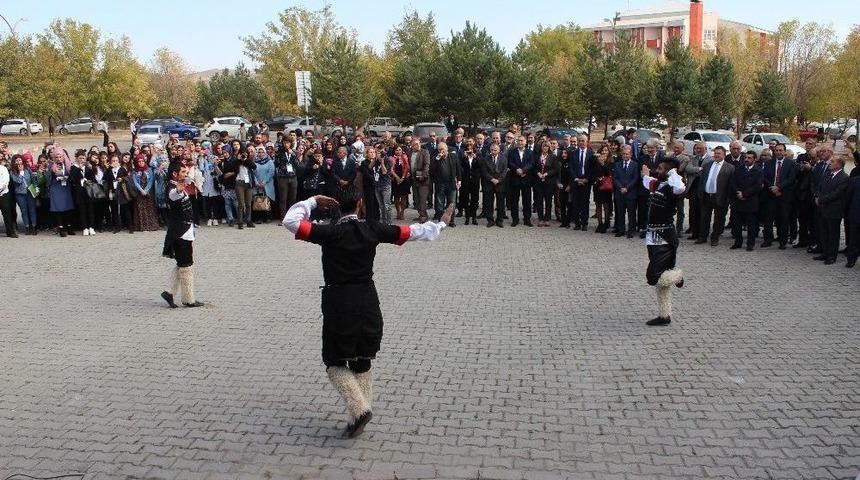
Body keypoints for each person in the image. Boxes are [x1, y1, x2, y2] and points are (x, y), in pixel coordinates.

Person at [282, 185, 454, 438]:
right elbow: (411, 232)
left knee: (334, 361)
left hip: (339, 302)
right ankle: (357, 416)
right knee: (363, 359)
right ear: (360, 204)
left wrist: (313, 201)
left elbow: (291, 221)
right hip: (368, 301)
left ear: (335, 207)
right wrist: (440, 224)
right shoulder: (372, 229)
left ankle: (360, 410)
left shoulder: (329, 232)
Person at [640, 158, 686, 326]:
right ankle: (664, 315)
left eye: (660, 169)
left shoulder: (673, 187)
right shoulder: (659, 185)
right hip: (653, 236)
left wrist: (673, 171)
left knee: (653, 277)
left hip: (664, 237)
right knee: (661, 284)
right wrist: (645, 174)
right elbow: (648, 181)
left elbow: (680, 187)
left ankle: (678, 276)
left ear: (668, 171)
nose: (657, 171)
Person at [161, 162, 204, 309]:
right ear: (175, 174)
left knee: (182, 263)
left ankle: (169, 292)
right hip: (180, 232)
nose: (186, 174)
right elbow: (173, 195)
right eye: (183, 172)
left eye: (186, 172)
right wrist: (179, 190)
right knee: (186, 265)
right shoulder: (172, 188)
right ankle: (188, 299)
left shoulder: (179, 185)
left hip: (185, 229)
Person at [760, 143, 797, 249]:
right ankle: (768, 239)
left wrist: (779, 188)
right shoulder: (768, 163)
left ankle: (782, 241)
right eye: (776, 150)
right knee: (768, 219)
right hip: (770, 194)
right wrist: (772, 187)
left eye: (780, 150)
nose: (778, 152)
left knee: (783, 219)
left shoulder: (791, 163)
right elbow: (764, 177)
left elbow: (791, 179)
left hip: (784, 195)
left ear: (784, 152)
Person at [813, 156, 848, 265]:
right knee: (823, 232)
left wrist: (821, 200)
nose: (830, 163)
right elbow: (819, 187)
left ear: (839, 164)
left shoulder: (844, 177)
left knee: (833, 234)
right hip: (822, 208)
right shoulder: (827, 174)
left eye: (832, 162)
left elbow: (837, 193)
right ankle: (825, 252)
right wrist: (817, 196)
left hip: (834, 210)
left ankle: (832, 256)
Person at [697, 146, 734, 247]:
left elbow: (730, 185)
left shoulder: (730, 168)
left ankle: (715, 237)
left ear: (724, 155)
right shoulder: (708, 165)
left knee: (719, 219)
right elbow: (702, 180)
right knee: (704, 217)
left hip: (720, 197)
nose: (716, 155)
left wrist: (728, 198)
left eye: (719, 153)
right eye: (715, 153)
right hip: (707, 196)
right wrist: (700, 192)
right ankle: (703, 236)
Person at [729, 151, 763, 251]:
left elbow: (757, 186)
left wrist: (744, 194)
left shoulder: (758, 171)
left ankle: (750, 244)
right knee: (737, 223)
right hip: (738, 200)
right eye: (746, 158)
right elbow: (733, 182)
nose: (747, 160)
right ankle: (738, 242)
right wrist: (737, 192)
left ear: (755, 159)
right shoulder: (739, 169)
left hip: (750, 201)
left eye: (749, 158)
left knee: (751, 224)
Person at [430, 142, 461, 227]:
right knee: (440, 203)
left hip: (451, 183)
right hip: (440, 184)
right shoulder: (436, 158)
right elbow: (431, 169)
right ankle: (441, 221)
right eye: (439, 149)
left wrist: (459, 180)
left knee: (451, 203)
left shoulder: (453, 156)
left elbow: (458, 169)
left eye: (442, 149)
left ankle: (451, 221)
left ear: (446, 149)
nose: (441, 151)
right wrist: (437, 158)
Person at [507, 135, 534, 227]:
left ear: (525, 142)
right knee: (514, 201)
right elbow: (510, 162)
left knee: (527, 201)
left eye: (522, 141)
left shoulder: (530, 152)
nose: (520, 142)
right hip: (515, 179)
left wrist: (523, 170)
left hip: (526, 179)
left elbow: (531, 163)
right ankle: (515, 219)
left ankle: (527, 219)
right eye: (518, 141)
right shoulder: (512, 152)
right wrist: (517, 169)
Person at [613, 145, 639, 238]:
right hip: (619, 192)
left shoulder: (635, 165)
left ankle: (631, 230)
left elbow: (635, 178)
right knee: (620, 212)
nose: (625, 155)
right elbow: (615, 178)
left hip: (631, 192)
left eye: (627, 154)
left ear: (631, 154)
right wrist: (621, 187)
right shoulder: (617, 164)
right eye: (624, 154)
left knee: (631, 213)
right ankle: (621, 230)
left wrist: (627, 188)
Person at [570, 135, 595, 231]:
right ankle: (577, 223)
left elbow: (592, 169)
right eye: (580, 140)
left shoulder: (591, 154)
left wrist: (586, 179)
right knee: (575, 203)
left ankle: (584, 223)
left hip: (586, 182)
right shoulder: (573, 153)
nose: (581, 142)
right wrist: (576, 179)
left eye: (583, 141)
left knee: (585, 203)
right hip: (576, 182)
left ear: (587, 142)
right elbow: (571, 168)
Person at [49, 148, 75, 237]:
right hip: (56, 188)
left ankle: (69, 225)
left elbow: (72, 175)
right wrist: (53, 173)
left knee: (68, 207)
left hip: (66, 188)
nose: (59, 159)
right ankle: (61, 227)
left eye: (60, 157)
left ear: (63, 157)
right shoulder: (51, 166)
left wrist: (68, 177)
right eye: (56, 157)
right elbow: (48, 178)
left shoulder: (67, 165)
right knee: (57, 208)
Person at [481, 143, 508, 228]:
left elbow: (504, 171)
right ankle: (490, 220)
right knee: (489, 203)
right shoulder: (485, 159)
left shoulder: (503, 159)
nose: (493, 152)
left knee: (500, 203)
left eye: (495, 150)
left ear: (499, 150)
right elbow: (484, 171)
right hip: (489, 183)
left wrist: (499, 180)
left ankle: (499, 220)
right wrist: (492, 179)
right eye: (492, 150)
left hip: (500, 184)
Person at [9, 155, 37, 235]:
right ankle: (27, 227)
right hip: (20, 194)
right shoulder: (12, 172)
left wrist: (35, 189)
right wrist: (21, 172)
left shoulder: (27, 169)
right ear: (14, 162)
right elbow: (18, 181)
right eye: (17, 161)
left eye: (20, 160)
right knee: (24, 211)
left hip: (30, 192)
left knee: (32, 210)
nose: (19, 162)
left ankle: (34, 227)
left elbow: (33, 180)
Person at [684, 142, 707, 240]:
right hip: (693, 187)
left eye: (700, 148)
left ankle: (702, 233)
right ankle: (694, 231)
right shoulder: (693, 158)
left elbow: (706, 171)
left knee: (702, 211)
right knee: (693, 210)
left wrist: (696, 170)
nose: (698, 150)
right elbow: (688, 169)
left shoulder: (710, 159)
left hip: (704, 189)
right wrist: (700, 169)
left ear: (705, 149)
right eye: (696, 148)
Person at [533, 141, 558, 227]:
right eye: (543, 146)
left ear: (549, 148)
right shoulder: (537, 156)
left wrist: (547, 174)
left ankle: (547, 219)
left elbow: (555, 169)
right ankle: (540, 219)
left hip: (549, 182)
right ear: (541, 147)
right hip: (538, 181)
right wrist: (538, 173)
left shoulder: (553, 157)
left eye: (547, 146)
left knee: (548, 201)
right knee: (539, 200)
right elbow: (534, 167)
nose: (545, 148)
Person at [459, 143, 482, 225]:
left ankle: (474, 217)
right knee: (466, 199)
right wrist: (464, 157)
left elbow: (481, 165)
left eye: (471, 149)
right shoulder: (464, 158)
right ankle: (467, 217)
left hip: (475, 181)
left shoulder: (477, 157)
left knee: (474, 200)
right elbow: (460, 166)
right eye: (468, 149)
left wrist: (475, 157)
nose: (469, 151)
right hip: (466, 181)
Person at [409, 138, 431, 223]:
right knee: (417, 199)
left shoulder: (425, 152)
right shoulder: (410, 153)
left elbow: (427, 164)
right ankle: (421, 214)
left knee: (422, 199)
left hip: (423, 180)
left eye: (419, 143)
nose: (418, 145)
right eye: (415, 144)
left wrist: (423, 175)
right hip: (414, 179)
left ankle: (424, 216)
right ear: (411, 146)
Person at [593, 145, 614, 233]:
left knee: (606, 205)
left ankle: (606, 223)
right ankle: (600, 223)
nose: (604, 152)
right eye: (602, 150)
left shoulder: (611, 161)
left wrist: (603, 163)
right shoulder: (596, 160)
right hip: (597, 185)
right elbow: (592, 171)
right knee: (598, 205)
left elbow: (609, 173)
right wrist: (596, 179)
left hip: (606, 186)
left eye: (606, 150)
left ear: (609, 152)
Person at [390, 145, 412, 221]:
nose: (398, 151)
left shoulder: (405, 157)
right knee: (396, 197)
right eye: (397, 150)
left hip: (404, 179)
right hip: (395, 179)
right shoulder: (391, 158)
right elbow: (391, 169)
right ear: (394, 151)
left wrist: (402, 178)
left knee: (403, 197)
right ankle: (398, 212)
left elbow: (407, 167)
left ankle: (402, 212)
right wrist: (396, 177)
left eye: (400, 150)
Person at [844, 172, 860, 268]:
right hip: (855, 215)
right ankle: (851, 259)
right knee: (853, 239)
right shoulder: (854, 181)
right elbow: (848, 198)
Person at [0, 157, 14, 238]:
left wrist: (1, 189)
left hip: (4, 194)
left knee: (7, 214)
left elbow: (6, 181)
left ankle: (10, 232)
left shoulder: (3, 169)